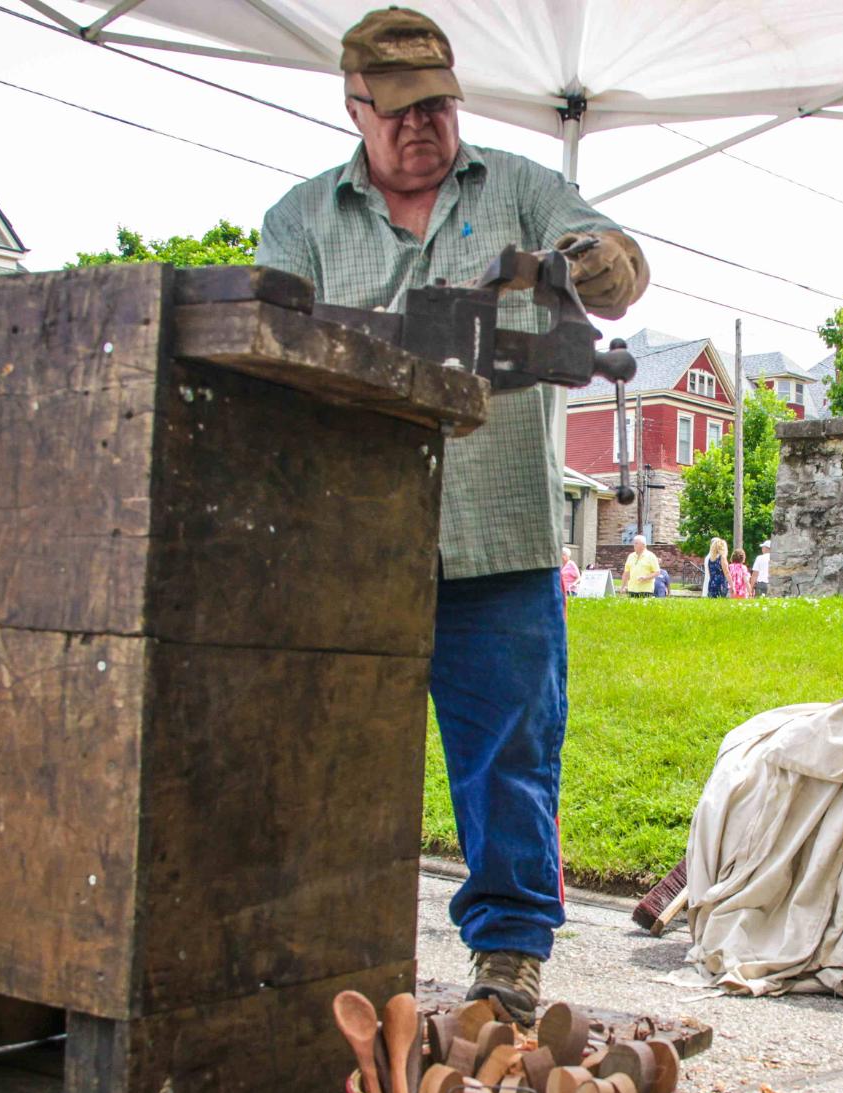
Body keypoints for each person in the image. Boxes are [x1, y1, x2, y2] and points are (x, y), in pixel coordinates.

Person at [257, 7, 649, 1024]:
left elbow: (606, 259)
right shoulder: (300, 219)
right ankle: (316, 944)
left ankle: (510, 955)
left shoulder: (518, 187)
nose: (421, 126)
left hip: (499, 536)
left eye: (436, 105)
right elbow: (269, 353)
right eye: (397, 111)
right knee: (323, 750)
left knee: (510, 756)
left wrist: (603, 262)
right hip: (352, 543)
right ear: (354, 109)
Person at [620, 534, 660, 598]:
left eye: (636, 543)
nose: (634, 545)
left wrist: (645, 577)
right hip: (632, 589)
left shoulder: (651, 556)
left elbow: (657, 572)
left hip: (646, 590)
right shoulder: (630, 556)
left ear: (643, 545)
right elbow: (626, 573)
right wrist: (623, 586)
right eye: (634, 543)